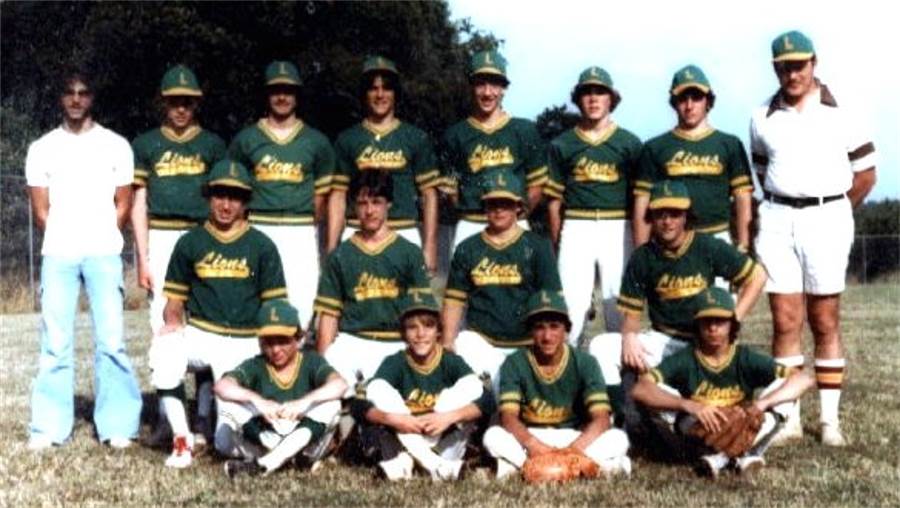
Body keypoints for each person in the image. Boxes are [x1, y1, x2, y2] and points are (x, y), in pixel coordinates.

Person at [750, 30, 877, 446]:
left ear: (814, 63)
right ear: (775, 68)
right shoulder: (761, 116)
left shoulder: (844, 111)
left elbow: (865, 175)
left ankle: (829, 421)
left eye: (799, 65)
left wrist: (834, 211)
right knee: (785, 319)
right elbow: (762, 167)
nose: (792, 74)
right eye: (784, 66)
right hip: (776, 217)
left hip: (827, 216)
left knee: (824, 319)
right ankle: (787, 418)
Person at [25, 70, 143, 451]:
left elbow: (123, 204)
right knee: (55, 342)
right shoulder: (42, 148)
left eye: (83, 93)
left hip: (103, 253)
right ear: (60, 98)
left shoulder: (116, 145)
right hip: (58, 253)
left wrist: (102, 238)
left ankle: (118, 426)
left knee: (111, 340)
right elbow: (40, 210)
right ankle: (48, 428)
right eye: (69, 93)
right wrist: (66, 236)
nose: (76, 99)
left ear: (92, 98)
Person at [589, 180, 766, 423]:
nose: (667, 221)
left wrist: (735, 317)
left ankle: (663, 418)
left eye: (675, 214)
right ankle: (617, 419)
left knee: (685, 407)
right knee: (601, 346)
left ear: (686, 216)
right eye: (660, 214)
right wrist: (629, 337)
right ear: (651, 216)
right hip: (662, 340)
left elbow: (756, 276)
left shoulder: (707, 246)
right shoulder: (643, 256)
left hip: (701, 343)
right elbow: (631, 313)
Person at [150, 159, 287, 468]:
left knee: (228, 443)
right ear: (209, 197)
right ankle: (182, 440)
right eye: (219, 195)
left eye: (235, 196)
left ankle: (217, 428)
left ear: (246, 201)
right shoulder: (190, 242)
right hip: (201, 333)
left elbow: (273, 309)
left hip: (243, 341)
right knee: (163, 350)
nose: (226, 204)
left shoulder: (262, 245)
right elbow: (174, 303)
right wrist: (171, 329)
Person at [131, 64, 227, 445]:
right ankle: (168, 417)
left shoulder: (213, 145)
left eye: (187, 102)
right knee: (163, 327)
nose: (181, 109)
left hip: (203, 236)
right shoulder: (147, 144)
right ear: (163, 103)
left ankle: (203, 417)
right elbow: (139, 200)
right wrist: (142, 255)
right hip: (163, 234)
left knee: (203, 322)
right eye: (174, 102)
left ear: (196, 104)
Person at [632, 287, 814, 478]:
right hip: (698, 429)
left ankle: (721, 459)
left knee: (784, 393)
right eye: (706, 321)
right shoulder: (686, 358)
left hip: (744, 423)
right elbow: (640, 389)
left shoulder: (744, 357)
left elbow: (805, 378)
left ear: (732, 324)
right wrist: (688, 405)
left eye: (720, 321)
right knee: (660, 395)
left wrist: (763, 403)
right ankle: (742, 456)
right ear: (697, 324)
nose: (713, 328)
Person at [229, 60, 337, 329]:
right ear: (266, 95)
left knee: (302, 299)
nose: (281, 97)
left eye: (288, 91)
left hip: (299, 227)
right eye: (275, 90)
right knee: (254, 295)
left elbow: (322, 197)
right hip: (258, 225)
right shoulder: (247, 139)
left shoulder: (316, 141)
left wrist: (309, 225)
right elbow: (233, 190)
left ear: (297, 96)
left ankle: (294, 360)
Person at [482, 291, 631, 479]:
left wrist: (574, 449)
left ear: (565, 329)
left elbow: (601, 418)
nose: (547, 336)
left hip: (573, 436)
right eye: (539, 328)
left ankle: (529, 469)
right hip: (532, 436)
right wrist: (535, 446)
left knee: (617, 438)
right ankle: (585, 468)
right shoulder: (515, 362)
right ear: (530, 330)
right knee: (493, 435)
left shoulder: (585, 362)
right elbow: (508, 418)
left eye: (554, 327)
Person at [545, 66, 643, 344]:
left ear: (611, 98)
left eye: (600, 92)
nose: (593, 98)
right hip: (577, 225)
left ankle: (625, 384)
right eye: (586, 93)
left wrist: (638, 243)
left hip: (618, 225)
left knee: (619, 309)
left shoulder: (629, 143)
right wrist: (558, 241)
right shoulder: (562, 144)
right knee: (571, 311)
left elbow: (640, 200)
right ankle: (567, 381)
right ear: (578, 99)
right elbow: (554, 203)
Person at [314, 171, 432, 398]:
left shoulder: (409, 252)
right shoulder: (340, 255)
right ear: (353, 207)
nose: (369, 211)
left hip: (396, 342)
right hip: (353, 340)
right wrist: (321, 368)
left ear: (389, 204)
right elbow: (329, 317)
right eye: (362, 203)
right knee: (325, 396)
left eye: (377, 202)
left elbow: (421, 316)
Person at [441, 175, 562, 395]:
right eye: (492, 204)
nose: (498, 210)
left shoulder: (538, 246)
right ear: (484, 207)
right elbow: (454, 299)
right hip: (482, 342)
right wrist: (447, 342)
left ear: (518, 206)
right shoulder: (468, 248)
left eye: (505, 204)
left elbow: (553, 303)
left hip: (526, 344)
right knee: (461, 346)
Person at [356, 292, 492, 481]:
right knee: (378, 388)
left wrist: (447, 417)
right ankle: (437, 467)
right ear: (403, 333)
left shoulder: (450, 361)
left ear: (438, 330)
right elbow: (360, 405)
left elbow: (486, 400)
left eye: (428, 326)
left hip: (442, 436)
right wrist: (395, 419)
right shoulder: (395, 362)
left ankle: (405, 466)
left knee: (471, 385)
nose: (420, 334)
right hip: (405, 434)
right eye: (412, 327)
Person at [328, 56, 441, 274]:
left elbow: (429, 195)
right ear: (364, 93)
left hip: (403, 230)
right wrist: (333, 248)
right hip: (358, 231)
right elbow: (338, 196)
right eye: (373, 89)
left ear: (396, 93)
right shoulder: (348, 139)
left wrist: (430, 246)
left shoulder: (415, 137)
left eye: (387, 88)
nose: (380, 95)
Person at [216, 299, 348, 478]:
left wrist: (303, 402)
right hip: (266, 438)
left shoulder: (311, 361)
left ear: (298, 338)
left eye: (283, 341)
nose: (276, 349)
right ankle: (286, 459)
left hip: (305, 443)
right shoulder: (256, 364)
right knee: (229, 405)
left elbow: (340, 384)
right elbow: (222, 386)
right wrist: (257, 400)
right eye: (269, 342)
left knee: (332, 404)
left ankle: (265, 465)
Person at [633, 65, 753, 251]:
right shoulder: (655, 147)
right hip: (672, 241)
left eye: (696, 98)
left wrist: (744, 245)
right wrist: (641, 253)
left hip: (718, 237)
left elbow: (742, 198)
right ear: (674, 102)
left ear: (708, 101)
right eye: (683, 98)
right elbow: (643, 203)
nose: (689, 106)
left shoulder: (729, 144)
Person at [441, 49, 548, 250]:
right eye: (481, 84)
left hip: (514, 223)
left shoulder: (524, 130)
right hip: (471, 224)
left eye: (494, 84)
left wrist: (516, 215)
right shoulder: (455, 134)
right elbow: (450, 192)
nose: (488, 92)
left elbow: (537, 186)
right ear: (471, 86)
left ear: (503, 88)